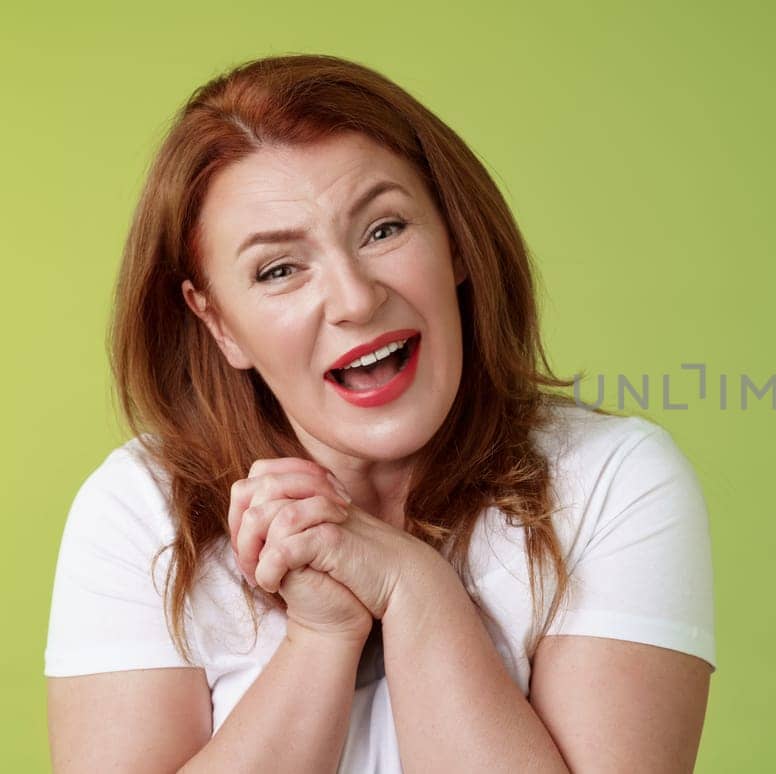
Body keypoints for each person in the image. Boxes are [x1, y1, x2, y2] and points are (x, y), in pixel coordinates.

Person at [42, 53, 716, 773]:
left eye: (384, 229)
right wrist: (322, 638)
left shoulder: (611, 481)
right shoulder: (140, 514)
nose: (357, 299)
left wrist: (414, 590)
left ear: (454, 238)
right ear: (220, 324)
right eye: (279, 270)